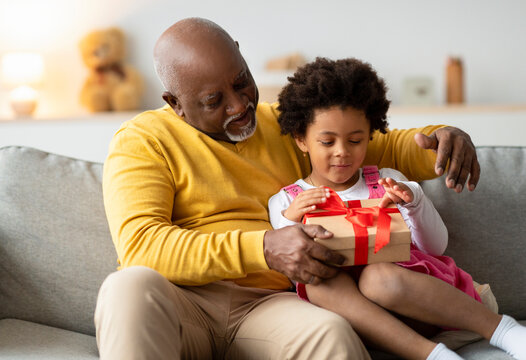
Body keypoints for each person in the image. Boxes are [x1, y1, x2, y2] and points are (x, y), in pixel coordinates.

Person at [95, 17, 485, 360]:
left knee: (330, 334)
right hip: (183, 302)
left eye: (241, 82)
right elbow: (141, 245)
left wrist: (438, 137)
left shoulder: (283, 125)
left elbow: (377, 145)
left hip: (270, 306)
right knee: (127, 287)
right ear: (175, 103)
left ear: (241, 56)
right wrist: (265, 247)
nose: (238, 106)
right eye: (214, 101)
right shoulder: (143, 140)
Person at [268, 57, 526, 360]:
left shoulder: (387, 181)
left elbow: (435, 246)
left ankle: (502, 329)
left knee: (377, 278)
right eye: (327, 141)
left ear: (370, 136)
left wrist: (413, 201)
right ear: (302, 140)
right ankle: (434, 356)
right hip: (369, 325)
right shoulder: (286, 201)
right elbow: (294, 271)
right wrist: (292, 222)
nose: (342, 152)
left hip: (423, 304)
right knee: (318, 284)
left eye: (355, 140)